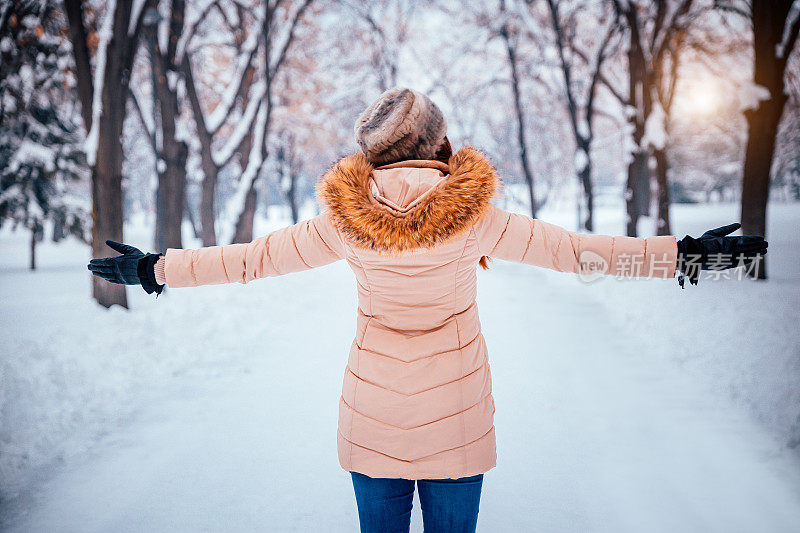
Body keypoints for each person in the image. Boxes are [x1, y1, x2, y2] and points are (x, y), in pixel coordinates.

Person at [88, 88, 767, 533]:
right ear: (440, 143)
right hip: (458, 423)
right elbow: (581, 254)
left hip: (372, 421)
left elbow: (249, 259)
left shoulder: (343, 222)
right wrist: (684, 255)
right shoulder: (477, 218)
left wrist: (154, 268)